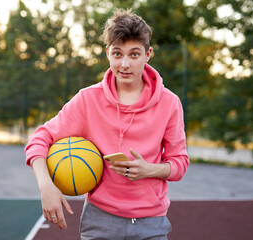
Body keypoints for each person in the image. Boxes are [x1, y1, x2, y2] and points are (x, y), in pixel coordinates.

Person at [25, 9, 189, 239]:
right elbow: (40, 138)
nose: (124, 64)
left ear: (147, 54)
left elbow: (179, 162)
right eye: (117, 53)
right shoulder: (88, 99)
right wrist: (46, 186)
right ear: (107, 53)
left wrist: (149, 170)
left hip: (151, 221)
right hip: (100, 218)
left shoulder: (169, 103)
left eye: (134, 54)